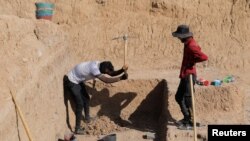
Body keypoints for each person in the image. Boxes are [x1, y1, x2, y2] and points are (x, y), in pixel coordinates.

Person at [63, 61, 128, 134]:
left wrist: (122, 70)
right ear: (105, 70)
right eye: (107, 72)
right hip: (71, 81)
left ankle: (87, 118)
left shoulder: (99, 65)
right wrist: (121, 78)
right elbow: (106, 80)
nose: (108, 73)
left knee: (86, 98)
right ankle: (77, 129)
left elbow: (111, 74)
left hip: (78, 80)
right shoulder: (94, 69)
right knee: (80, 104)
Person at [172, 25, 208, 129]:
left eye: (179, 36)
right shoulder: (188, 43)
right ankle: (187, 118)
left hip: (189, 75)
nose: (178, 38)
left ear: (184, 36)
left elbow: (204, 57)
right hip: (185, 74)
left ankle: (191, 122)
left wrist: (193, 61)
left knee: (188, 99)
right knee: (179, 96)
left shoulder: (191, 45)